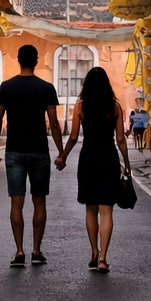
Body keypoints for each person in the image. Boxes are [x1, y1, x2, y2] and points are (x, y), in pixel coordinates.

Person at [0, 45, 63, 267]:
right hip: (39, 151)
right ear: (36, 61)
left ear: (19, 60)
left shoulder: (6, 87)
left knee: (16, 201)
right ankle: (36, 250)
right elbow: (54, 123)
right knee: (39, 201)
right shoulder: (46, 88)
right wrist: (61, 152)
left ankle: (19, 251)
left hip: (14, 150)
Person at [57, 67, 132, 273]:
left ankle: (93, 251)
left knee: (90, 207)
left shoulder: (81, 106)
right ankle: (104, 259)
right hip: (108, 157)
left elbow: (73, 137)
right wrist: (127, 163)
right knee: (106, 210)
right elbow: (120, 139)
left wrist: (63, 156)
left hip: (88, 158)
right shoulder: (115, 107)